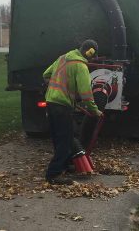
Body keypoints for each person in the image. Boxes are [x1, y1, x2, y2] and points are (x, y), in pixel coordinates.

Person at [43, 39, 102, 185]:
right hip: (62, 106)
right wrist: (95, 111)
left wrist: (57, 88)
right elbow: (86, 94)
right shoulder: (80, 66)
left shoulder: (62, 58)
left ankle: (63, 165)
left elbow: (45, 74)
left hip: (50, 103)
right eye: (93, 56)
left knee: (59, 138)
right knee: (67, 139)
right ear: (90, 53)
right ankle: (54, 174)